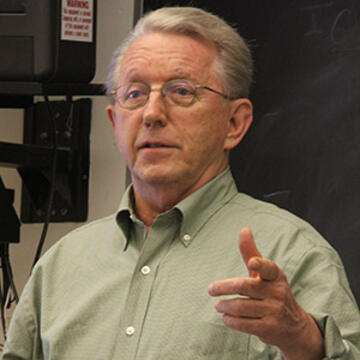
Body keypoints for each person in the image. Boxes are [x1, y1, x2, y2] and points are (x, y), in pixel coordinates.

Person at [3, 6, 360, 360]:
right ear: (115, 122)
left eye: (182, 91)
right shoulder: (62, 265)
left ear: (234, 123)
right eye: (134, 94)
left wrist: (302, 341)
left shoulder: (293, 255)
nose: (152, 114)